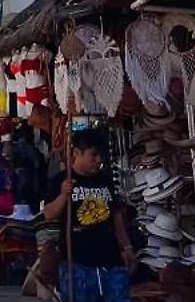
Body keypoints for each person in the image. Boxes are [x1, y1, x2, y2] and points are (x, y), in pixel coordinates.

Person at [42, 127, 134, 302]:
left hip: (110, 259)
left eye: (101, 156)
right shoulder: (60, 180)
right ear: (77, 153)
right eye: (93, 155)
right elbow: (48, 214)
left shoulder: (104, 180)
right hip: (76, 263)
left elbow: (115, 216)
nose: (98, 160)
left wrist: (127, 247)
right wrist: (63, 196)